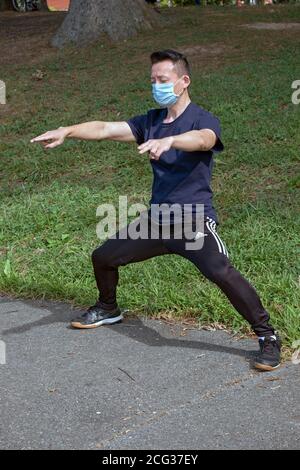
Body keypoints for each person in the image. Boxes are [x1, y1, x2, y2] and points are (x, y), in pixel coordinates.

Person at [30, 49, 281, 372]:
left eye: (163, 79)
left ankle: (267, 336)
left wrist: (172, 141)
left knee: (220, 271)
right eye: (153, 80)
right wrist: (68, 130)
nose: (156, 85)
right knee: (103, 257)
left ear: (183, 81)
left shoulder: (202, 118)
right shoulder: (150, 121)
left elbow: (203, 140)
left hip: (192, 221)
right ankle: (108, 307)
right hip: (157, 222)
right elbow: (106, 128)